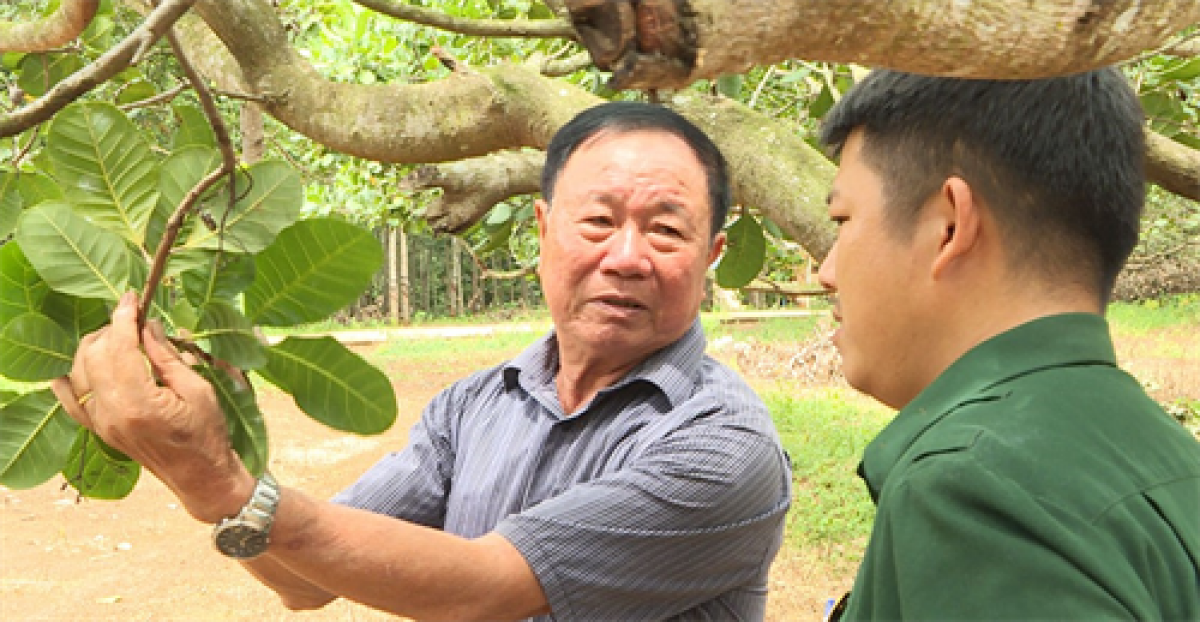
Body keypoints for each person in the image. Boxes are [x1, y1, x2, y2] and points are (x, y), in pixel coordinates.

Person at [50, 101, 792, 622]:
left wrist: (218, 474)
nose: (625, 257)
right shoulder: (475, 406)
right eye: (597, 221)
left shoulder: (725, 446)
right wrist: (193, 476)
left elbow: (486, 588)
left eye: (665, 230)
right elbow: (300, 581)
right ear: (542, 231)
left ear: (712, 257)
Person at [816, 68, 1200, 620]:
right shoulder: (1168, 452)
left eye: (842, 218)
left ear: (949, 227)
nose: (827, 271)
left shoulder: (973, 488)